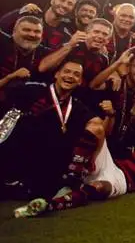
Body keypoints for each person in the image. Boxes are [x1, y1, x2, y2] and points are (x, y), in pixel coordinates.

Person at [14, 112, 135, 217]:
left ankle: (50, 205)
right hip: (112, 164)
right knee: (96, 127)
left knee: (100, 187)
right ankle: (71, 181)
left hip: (123, 181)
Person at [0, 61, 102, 201]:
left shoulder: (77, 106)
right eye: (66, 71)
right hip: (15, 154)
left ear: (80, 82)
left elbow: (98, 127)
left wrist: (90, 161)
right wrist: (10, 77)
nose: (70, 76)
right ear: (56, 74)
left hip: (46, 164)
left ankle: (69, 180)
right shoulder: (32, 90)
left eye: (76, 74)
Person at [38, 18, 112, 86]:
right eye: (96, 32)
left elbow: (94, 85)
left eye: (104, 34)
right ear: (87, 33)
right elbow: (42, 67)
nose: (100, 36)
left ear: (108, 40)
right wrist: (70, 45)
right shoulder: (71, 46)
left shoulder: (103, 60)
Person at [0, 0, 77, 49]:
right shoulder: (28, 15)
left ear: (73, 8)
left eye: (70, 4)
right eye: (62, 0)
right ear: (52, 1)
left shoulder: (66, 33)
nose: (65, 5)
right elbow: (2, 26)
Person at [0, 16, 48, 93]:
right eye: (26, 30)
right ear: (14, 31)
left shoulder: (46, 54)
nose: (32, 35)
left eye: (37, 31)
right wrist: (9, 77)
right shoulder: (2, 44)